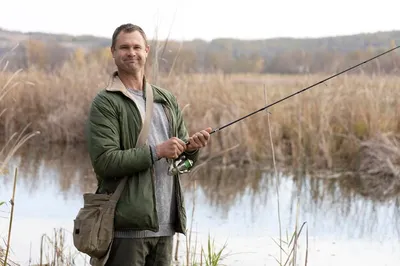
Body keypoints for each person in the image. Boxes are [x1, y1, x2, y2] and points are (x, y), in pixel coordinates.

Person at [85, 23, 211, 266]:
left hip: (165, 228)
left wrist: (192, 149)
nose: (131, 52)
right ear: (112, 51)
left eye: (136, 47)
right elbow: (105, 162)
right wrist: (157, 151)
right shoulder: (106, 102)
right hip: (126, 230)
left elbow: (181, 165)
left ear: (147, 51)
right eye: (124, 47)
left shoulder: (166, 99)